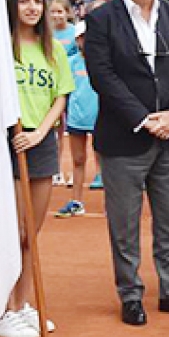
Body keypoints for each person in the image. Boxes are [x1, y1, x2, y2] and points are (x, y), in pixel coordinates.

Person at [86, 0, 169, 325]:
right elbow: (103, 76)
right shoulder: (102, 19)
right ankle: (130, 294)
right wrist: (143, 118)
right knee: (125, 224)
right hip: (124, 139)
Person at [0, 0, 74, 337]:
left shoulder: (52, 49)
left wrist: (41, 132)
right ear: (12, 6)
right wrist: (12, 129)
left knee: (31, 233)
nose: (32, 7)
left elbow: (60, 96)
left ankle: (23, 304)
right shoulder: (0, 50)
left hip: (37, 143)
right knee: (13, 231)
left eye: (36, 1)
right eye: (24, 1)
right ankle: (5, 310)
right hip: (5, 142)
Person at [56, 21, 100, 218]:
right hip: (76, 119)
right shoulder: (71, 61)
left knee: (106, 162)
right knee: (78, 160)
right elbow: (64, 91)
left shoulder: (103, 61)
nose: (86, 41)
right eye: (82, 38)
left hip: (101, 119)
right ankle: (76, 201)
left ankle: (112, 205)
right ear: (77, 40)